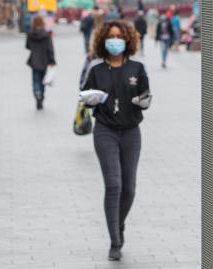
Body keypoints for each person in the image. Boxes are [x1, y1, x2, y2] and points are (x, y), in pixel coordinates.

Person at [81, 20, 151, 261]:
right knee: (114, 185)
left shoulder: (137, 69)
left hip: (131, 131)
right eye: (110, 36)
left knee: (129, 189)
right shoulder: (96, 70)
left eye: (119, 36)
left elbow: (146, 96)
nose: (115, 40)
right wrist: (90, 99)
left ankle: (118, 224)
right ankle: (115, 241)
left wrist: (144, 101)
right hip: (105, 131)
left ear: (127, 40)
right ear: (103, 40)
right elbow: (84, 95)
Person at [25, 15, 56, 110]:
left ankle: (37, 93)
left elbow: (27, 46)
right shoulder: (46, 35)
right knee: (43, 81)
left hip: (34, 60)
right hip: (44, 60)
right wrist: (52, 61)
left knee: (35, 80)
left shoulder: (30, 34)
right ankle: (41, 97)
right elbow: (50, 48)